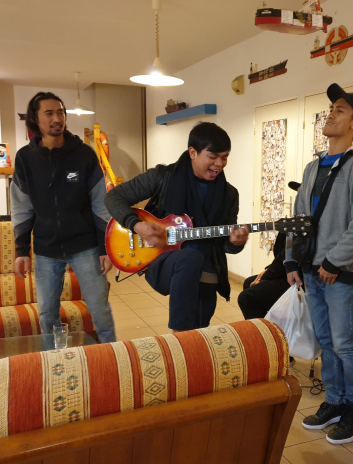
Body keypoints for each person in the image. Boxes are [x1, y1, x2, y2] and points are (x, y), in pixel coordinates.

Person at [286, 83, 353, 444]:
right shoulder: (313, 168)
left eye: (340, 110)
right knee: (325, 339)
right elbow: (298, 219)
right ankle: (335, 400)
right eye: (331, 108)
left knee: (343, 341)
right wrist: (292, 259)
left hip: (338, 272)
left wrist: (333, 261)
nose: (331, 113)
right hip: (311, 269)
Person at [105, 122, 249, 331]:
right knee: (191, 258)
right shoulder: (163, 177)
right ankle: (178, 335)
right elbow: (113, 197)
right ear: (193, 152)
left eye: (224, 157)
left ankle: (188, 354)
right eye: (212, 156)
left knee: (200, 326)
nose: (219, 163)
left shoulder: (229, 194)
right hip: (160, 260)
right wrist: (136, 225)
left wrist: (236, 243)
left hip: (207, 266)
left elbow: (224, 244)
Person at [11, 92, 116, 343]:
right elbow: (21, 207)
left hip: (86, 247)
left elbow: (100, 204)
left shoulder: (84, 154)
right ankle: (54, 362)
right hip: (46, 249)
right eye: (49, 113)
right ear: (35, 119)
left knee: (100, 309)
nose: (57, 118)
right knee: (47, 312)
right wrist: (21, 249)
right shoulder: (25, 158)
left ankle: (113, 359)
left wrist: (105, 247)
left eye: (60, 112)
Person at [238, 182, 301, 320]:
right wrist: (265, 272)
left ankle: (265, 334)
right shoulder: (289, 223)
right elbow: (280, 256)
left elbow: (286, 257)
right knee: (249, 282)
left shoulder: (306, 225)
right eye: (298, 193)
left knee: (246, 298)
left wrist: (265, 277)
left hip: (300, 279)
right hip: (285, 273)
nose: (299, 198)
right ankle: (267, 329)